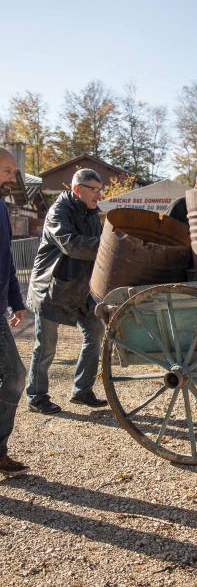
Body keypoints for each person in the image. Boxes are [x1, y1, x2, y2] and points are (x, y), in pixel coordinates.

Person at [26, 168, 107, 414]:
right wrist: (108, 245)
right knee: (46, 346)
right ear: (76, 189)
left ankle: (82, 390)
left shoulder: (92, 213)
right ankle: (36, 397)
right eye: (93, 189)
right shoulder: (57, 212)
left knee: (95, 332)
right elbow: (71, 245)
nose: (98, 195)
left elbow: (97, 250)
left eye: (99, 190)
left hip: (80, 289)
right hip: (51, 288)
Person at [0, 148, 29, 476]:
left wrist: (16, 302)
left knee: (11, 374)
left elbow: (6, 260)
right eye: (8, 170)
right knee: (15, 374)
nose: (12, 177)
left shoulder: (1, 208)